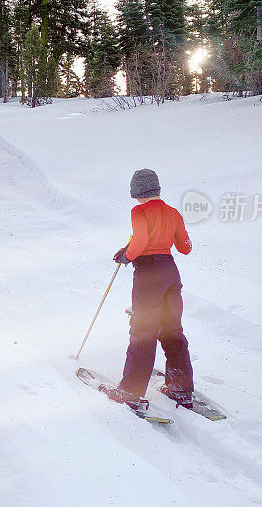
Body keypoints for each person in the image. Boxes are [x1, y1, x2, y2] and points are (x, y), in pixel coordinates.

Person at [111, 169, 195, 408]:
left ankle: (130, 392)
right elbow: (186, 248)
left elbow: (139, 243)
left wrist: (126, 255)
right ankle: (180, 388)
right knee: (172, 330)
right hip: (170, 272)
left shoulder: (139, 211)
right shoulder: (173, 213)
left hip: (148, 275)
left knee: (143, 330)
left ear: (137, 191)